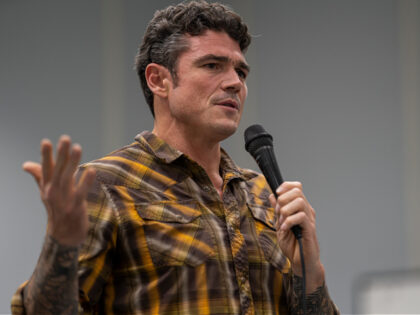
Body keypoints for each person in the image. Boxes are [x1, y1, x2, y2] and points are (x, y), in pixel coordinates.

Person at [11, 1, 339, 314]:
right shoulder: (103, 186)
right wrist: (61, 245)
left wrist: (309, 271)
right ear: (159, 80)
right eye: (212, 66)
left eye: (241, 71)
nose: (234, 83)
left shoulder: (267, 197)